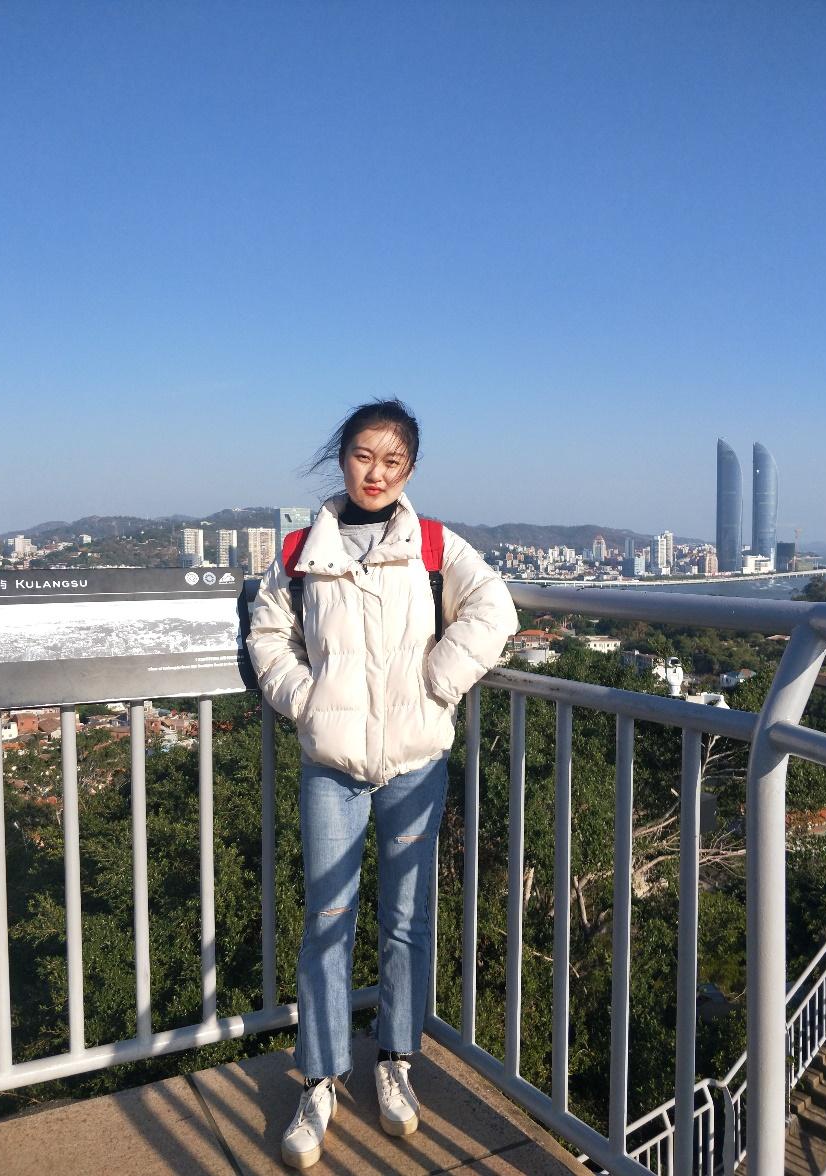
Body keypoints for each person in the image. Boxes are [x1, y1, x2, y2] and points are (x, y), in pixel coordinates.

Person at [248, 399, 517, 1169]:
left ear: (410, 470)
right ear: (343, 459)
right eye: (365, 456)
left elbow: (493, 608)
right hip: (332, 764)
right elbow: (268, 634)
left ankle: (395, 1061)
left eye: (393, 460)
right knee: (326, 919)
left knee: (406, 921)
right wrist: (304, 699)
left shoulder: (433, 545)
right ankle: (321, 1079)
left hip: (415, 763)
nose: (377, 472)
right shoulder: (302, 549)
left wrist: (439, 680)